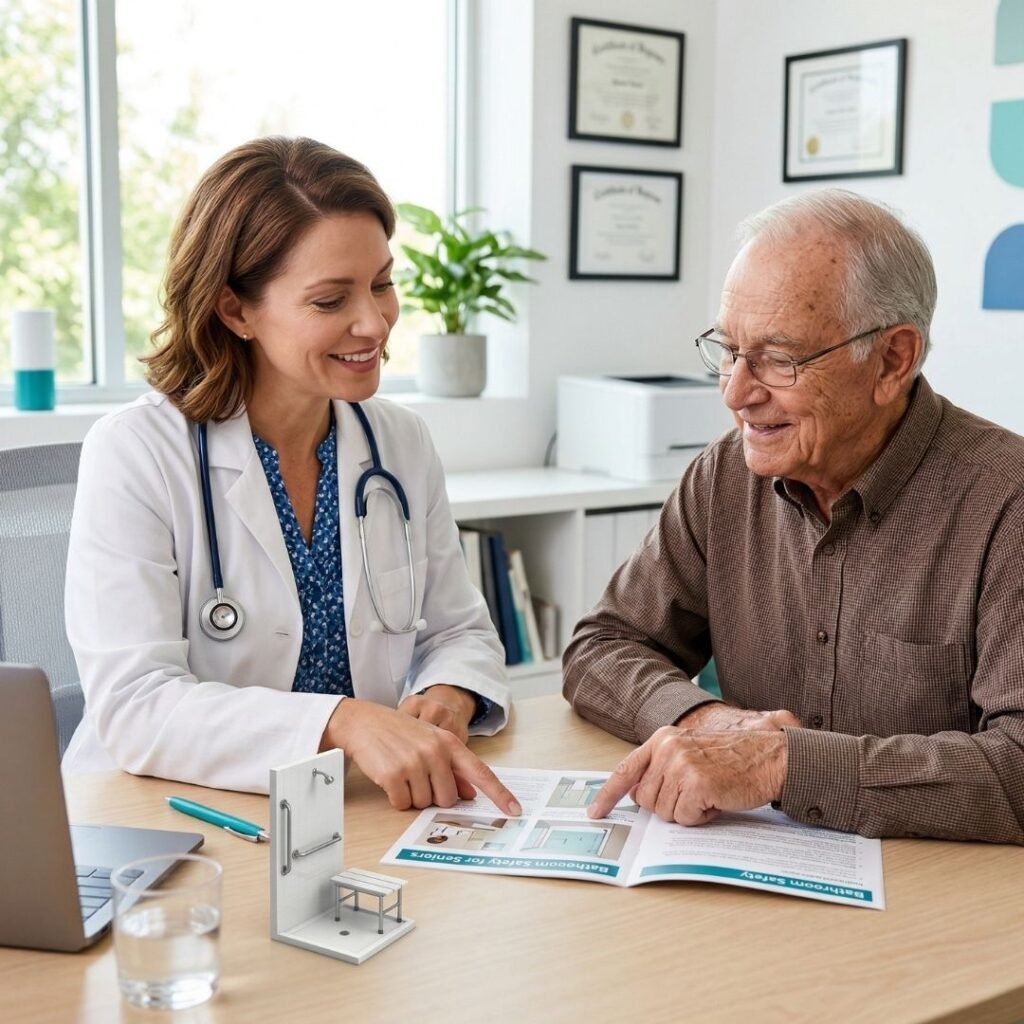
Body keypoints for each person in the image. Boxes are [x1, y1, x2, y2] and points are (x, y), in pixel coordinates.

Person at [63, 136, 520, 817]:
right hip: (177, 817)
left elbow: (458, 630)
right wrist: (342, 721)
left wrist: (450, 693)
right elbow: (136, 705)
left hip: (357, 812)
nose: (375, 322)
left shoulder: (399, 443)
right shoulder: (136, 453)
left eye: (382, 283)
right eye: (331, 300)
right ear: (234, 310)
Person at [563, 188, 1024, 845]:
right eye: (728, 350)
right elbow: (602, 646)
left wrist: (786, 764)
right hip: (753, 882)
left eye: (780, 359)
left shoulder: (1008, 504)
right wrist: (706, 721)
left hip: (938, 911)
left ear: (894, 359)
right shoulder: (723, 476)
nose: (736, 392)